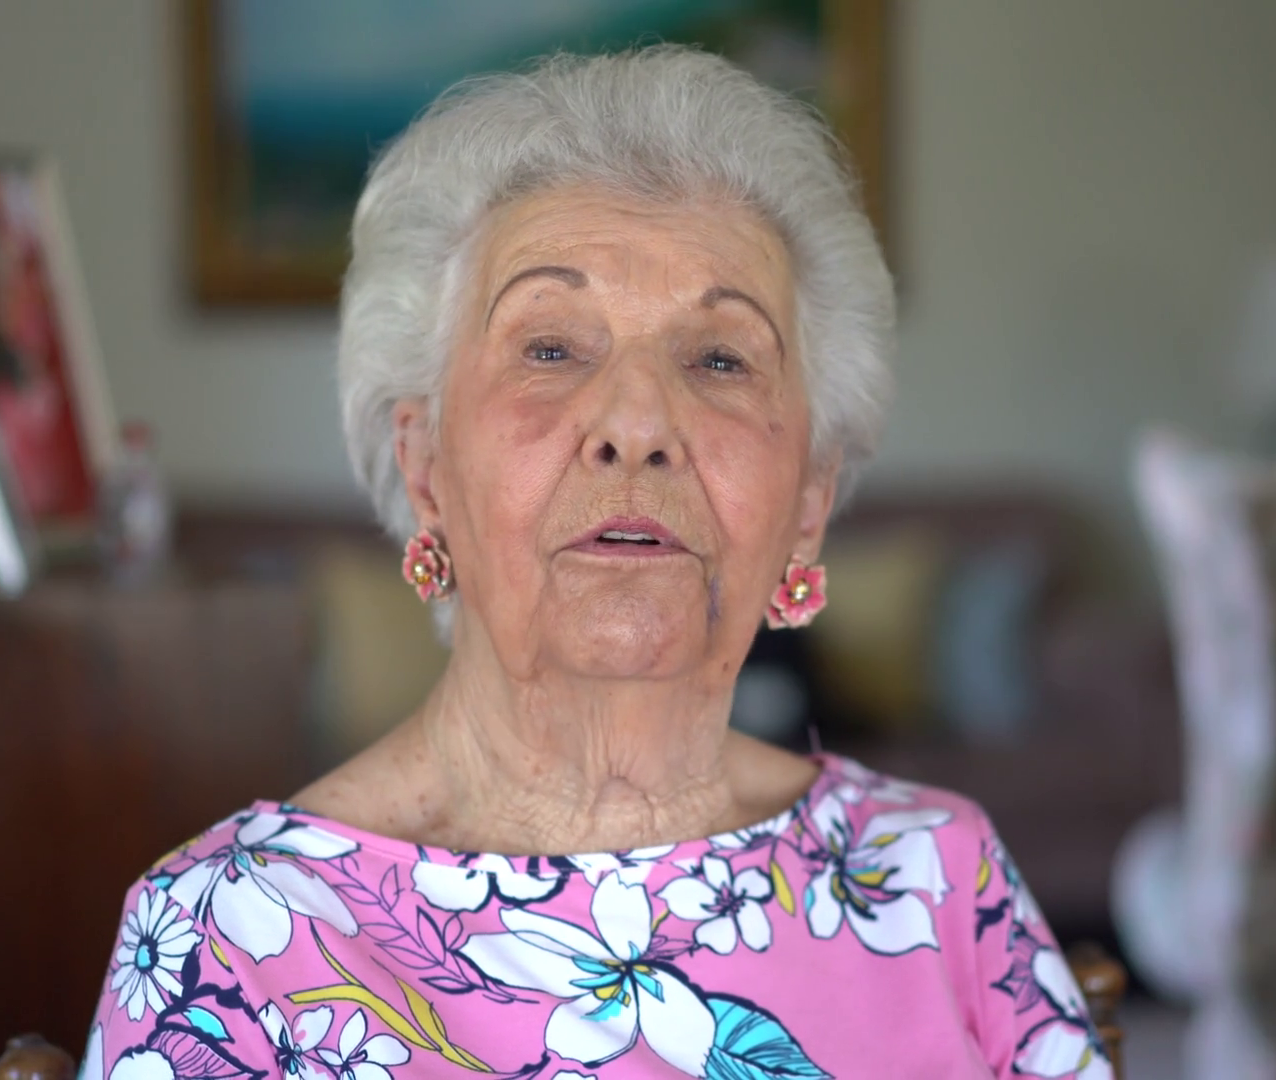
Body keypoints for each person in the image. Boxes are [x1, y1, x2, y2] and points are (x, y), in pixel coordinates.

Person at [82, 47, 1112, 1080]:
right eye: (550, 348)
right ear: (427, 467)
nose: (638, 422)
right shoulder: (233, 938)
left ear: (808, 501)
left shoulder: (935, 875)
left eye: (720, 358)